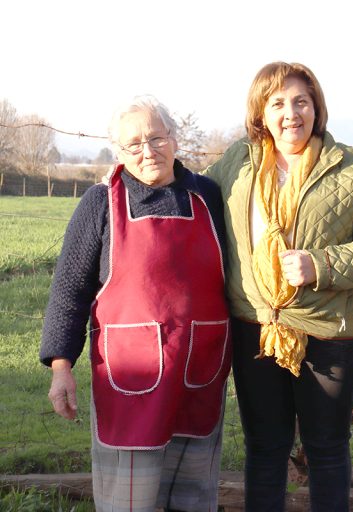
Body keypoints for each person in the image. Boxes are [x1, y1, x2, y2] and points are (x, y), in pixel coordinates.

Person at [202, 61, 353, 511]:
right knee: (265, 447)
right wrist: (138, 179)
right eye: (278, 103)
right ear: (261, 114)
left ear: (316, 108)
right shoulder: (237, 161)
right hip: (256, 327)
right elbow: (194, 197)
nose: (291, 113)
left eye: (301, 102)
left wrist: (321, 265)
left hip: (332, 332)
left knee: (326, 447)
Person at [40, 95, 231, 512]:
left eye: (157, 138)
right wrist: (61, 368)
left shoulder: (209, 196)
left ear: (175, 140)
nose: (148, 151)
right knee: (130, 504)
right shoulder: (100, 204)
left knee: (194, 500)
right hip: (131, 386)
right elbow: (69, 289)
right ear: (119, 153)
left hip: (198, 372)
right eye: (134, 145)